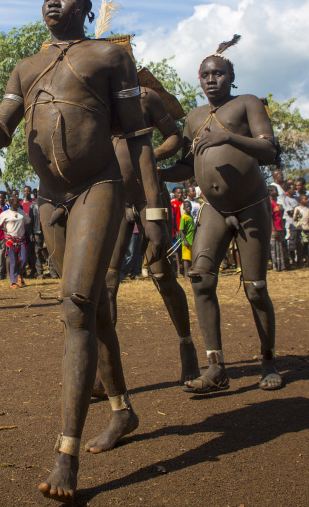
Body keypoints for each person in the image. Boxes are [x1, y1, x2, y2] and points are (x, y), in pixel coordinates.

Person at [0, 0, 168, 503]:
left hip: (98, 187)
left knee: (76, 305)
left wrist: (154, 210)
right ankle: (122, 411)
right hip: (51, 200)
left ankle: (65, 453)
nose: (54, 1)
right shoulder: (26, 67)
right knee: (93, 311)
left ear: (85, 8)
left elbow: (138, 138)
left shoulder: (110, 56)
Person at [160, 35, 283, 392]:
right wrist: (155, 171)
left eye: (218, 73)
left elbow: (269, 150)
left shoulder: (247, 103)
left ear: (231, 77)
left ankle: (268, 360)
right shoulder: (195, 118)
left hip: (250, 206)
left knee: (256, 288)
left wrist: (226, 139)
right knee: (201, 279)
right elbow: (185, 166)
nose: (211, 79)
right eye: (205, 75)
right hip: (214, 208)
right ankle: (216, 368)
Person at [104, 81, 198, 388]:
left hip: (150, 197)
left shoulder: (146, 97)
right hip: (114, 199)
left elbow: (176, 137)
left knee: (161, 274)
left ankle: (187, 347)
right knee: (107, 283)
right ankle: (106, 370)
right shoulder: (95, 100)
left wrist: (151, 157)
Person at [0, 193, 30, 287]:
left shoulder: (21, 212)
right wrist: (4, 229)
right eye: (16, 202)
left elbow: (28, 221)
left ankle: (19, 274)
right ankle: (13, 282)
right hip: (10, 240)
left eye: (18, 202)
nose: (18, 203)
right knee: (12, 260)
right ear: (11, 203)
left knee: (24, 259)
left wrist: (25, 228)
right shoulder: (6, 213)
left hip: (21, 239)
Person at [269, 185, 286, 272]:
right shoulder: (270, 203)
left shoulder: (277, 203)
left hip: (280, 228)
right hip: (274, 229)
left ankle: (282, 266)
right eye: (275, 190)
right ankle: (275, 266)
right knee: (274, 249)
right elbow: (271, 217)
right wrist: (274, 229)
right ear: (271, 192)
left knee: (280, 248)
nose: (277, 192)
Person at [293, 195, 309, 267]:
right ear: (301, 200)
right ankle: (300, 262)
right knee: (300, 246)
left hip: (308, 229)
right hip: (301, 229)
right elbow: (294, 219)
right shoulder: (298, 208)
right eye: (305, 199)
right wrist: (296, 214)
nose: (307, 200)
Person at [179, 199, 195, 277]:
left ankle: (190, 272)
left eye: (190, 206)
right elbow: (181, 230)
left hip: (192, 240)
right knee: (186, 258)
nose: (189, 208)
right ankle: (186, 274)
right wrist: (184, 240)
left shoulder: (191, 216)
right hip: (186, 241)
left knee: (191, 257)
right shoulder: (184, 217)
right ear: (184, 208)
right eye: (187, 206)